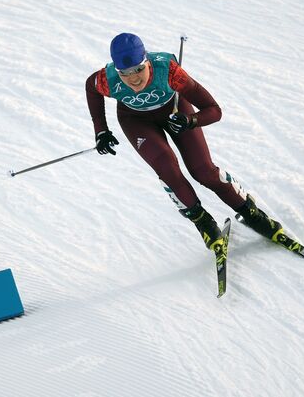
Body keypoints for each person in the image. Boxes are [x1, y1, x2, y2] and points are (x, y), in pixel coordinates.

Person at [85, 32, 283, 254]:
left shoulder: (169, 72)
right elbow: (90, 87)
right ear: (117, 70)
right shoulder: (107, 79)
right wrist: (101, 130)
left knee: (203, 171)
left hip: (175, 111)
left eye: (139, 69)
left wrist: (191, 120)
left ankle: (251, 213)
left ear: (147, 60)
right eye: (125, 73)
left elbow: (214, 110)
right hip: (135, 121)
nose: (134, 79)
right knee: (167, 167)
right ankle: (204, 223)